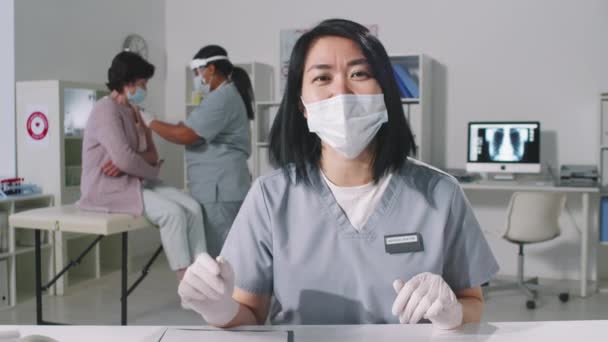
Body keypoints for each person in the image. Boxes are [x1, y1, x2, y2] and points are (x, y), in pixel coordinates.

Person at [177, 19, 499, 328]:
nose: (341, 91)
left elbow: (472, 301)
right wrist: (220, 310)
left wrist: (454, 313)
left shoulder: (441, 194)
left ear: (384, 92)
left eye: (359, 73)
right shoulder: (270, 197)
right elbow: (250, 314)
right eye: (322, 78)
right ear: (302, 104)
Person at [78, 51, 206, 280]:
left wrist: (129, 162)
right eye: (142, 83)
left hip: (134, 180)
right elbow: (129, 159)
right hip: (104, 188)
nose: (145, 89)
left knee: (193, 207)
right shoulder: (105, 110)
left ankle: (203, 273)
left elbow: (149, 154)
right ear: (127, 83)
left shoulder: (135, 111)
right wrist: (138, 164)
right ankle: (187, 283)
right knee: (173, 213)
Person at [140, 45, 254, 258]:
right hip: (223, 186)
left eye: (196, 73)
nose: (196, 79)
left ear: (210, 69)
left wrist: (151, 122)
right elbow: (191, 129)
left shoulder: (221, 98)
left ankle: (224, 293)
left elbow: (187, 135)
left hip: (219, 189)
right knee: (227, 252)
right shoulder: (225, 95)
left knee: (221, 256)